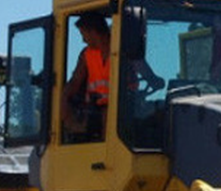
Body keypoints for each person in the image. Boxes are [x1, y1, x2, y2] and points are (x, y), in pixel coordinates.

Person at [61, 12, 163, 141]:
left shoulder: (124, 50)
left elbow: (144, 71)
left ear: (93, 31)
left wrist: (154, 80)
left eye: (83, 34)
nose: (83, 40)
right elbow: (75, 81)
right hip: (96, 109)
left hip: (124, 105)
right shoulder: (86, 54)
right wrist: (64, 98)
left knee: (159, 113)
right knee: (107, 115)